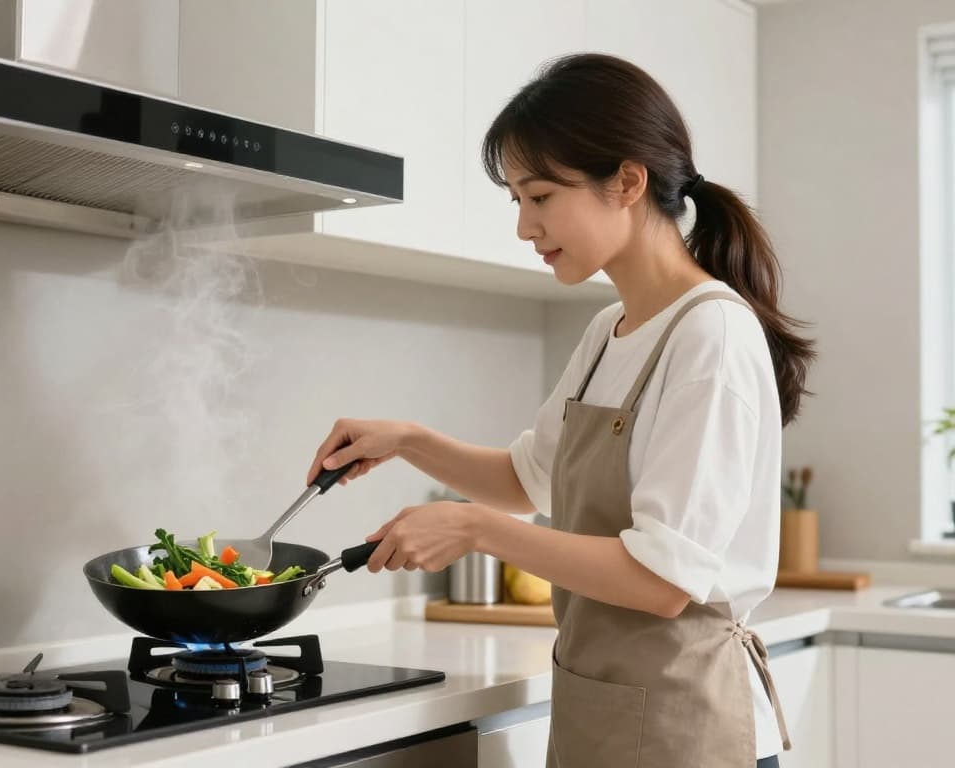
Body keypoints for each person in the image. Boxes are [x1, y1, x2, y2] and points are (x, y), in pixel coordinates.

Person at [306, 53, 815, 768]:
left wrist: (473, 528)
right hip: (600, 714)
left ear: (628, 182)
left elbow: (661, 582)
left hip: (687, 729)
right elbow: (528, 479)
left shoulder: (711, 334)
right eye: (516, 200)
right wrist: (409, 440)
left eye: (540, 196)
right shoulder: (609, 331)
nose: (524, 226)